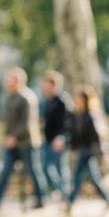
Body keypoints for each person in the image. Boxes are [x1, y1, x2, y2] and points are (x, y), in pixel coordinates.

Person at [0, 67, 47, 210]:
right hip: (11, 143)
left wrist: (14, 136)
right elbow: (9, 122)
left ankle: (41, 200)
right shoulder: (9, 97)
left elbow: (27, 122)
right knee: (5, 171)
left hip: (27, 142)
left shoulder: (27, 97)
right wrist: (7, 137)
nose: (7, 82)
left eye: (10, 79)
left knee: (33, 171)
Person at [65, 85, 109, 210]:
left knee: (78, 176)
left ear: (85, 100)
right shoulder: (77, 115)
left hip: (90, 151)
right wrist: (72, 147)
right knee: (94, 178)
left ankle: (70, 202)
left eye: (78, 98)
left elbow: (97, 136)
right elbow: (74, 135)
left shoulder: (91, 115)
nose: (76, 100)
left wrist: (103, 153)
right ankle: (108, 199)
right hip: (82, 150)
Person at [40, 70, 71, 199]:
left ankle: (66, 195)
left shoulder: (62, 100)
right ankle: (59, 191)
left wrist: (61, 137)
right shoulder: (48, 101)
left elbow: (68, 122)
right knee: (46, 167)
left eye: (46, 84)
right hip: (48, 140)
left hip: (59, 140)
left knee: (61, 168)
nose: (43, 87)